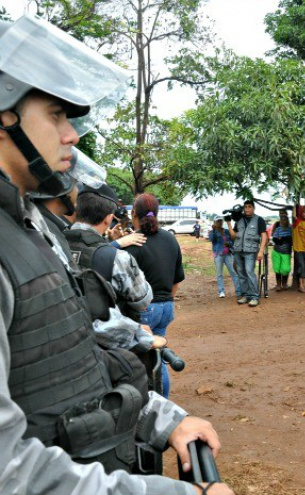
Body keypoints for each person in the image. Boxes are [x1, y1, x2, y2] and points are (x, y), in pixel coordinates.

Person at [0, 14, 230, 495]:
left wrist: (162, 418)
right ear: (5, 119)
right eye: (56, 115)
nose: (72, 136)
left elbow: (77, 363)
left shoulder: (30, 228)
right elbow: (8, 468)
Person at [65, 184, 158, 352]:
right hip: (109, 348)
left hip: (66, 341)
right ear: (108, 218)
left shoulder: (52, 242)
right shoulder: (117, 258)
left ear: (76, 210)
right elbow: (142, 301)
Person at [126, 194, 184, 399]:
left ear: (133, 213)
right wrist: (167, 299)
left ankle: (151, 405)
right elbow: (178, 278)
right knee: (159, 357)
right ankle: (163, 402)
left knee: (141, 360)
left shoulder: (133, 243)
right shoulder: (170, 238)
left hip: (144, 311)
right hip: (166, 307)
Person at [229, 199, 268, 306]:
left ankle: (254, 296)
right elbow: (233, 236)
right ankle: (246, 295)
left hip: (250, 251)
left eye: (249, 207)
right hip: (238, 250)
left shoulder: (259, 220)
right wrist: (228, 223)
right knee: (241, 273)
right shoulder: (239, 220)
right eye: (245, 207)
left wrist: (261, 251)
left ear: (253, 208)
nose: (247, 209)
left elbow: (264, 236)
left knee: (249, 272)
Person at [209, 217, 241, 298]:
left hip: (228, 254)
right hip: (218, 254)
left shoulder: (226, 231)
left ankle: (238, 291)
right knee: (219, 274)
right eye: (217, 221)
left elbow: (232, 241)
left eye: (220, 221)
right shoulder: (213, 232)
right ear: (215, 222)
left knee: (233, 272)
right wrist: (213, 230)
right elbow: (212, 240)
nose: (219, 222)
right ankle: (221, 291)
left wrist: (228, 244)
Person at [270, 209, 293, 292]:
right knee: (277, 269)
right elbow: (275, 239)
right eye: (281, 217)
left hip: (286, 251)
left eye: (284, 217)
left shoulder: (290, 228)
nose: (283, 220)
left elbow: (291, 240)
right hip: (277, 250)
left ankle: (284, 283)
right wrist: (283, 240)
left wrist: (282, 239)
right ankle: (279, 285)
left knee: (285, 269)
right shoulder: (277, 227)